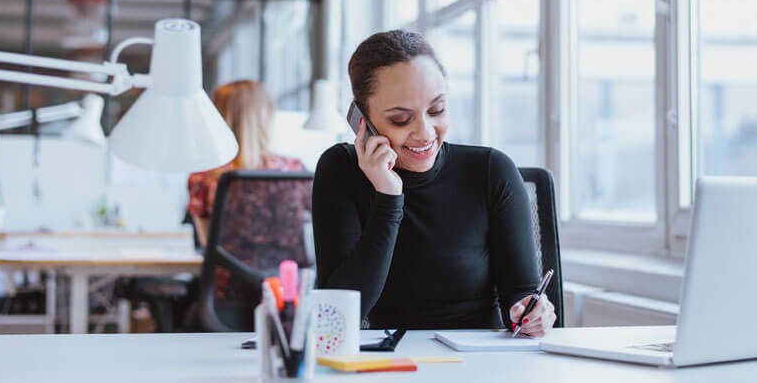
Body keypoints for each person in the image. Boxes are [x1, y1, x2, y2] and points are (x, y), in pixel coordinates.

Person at [312, 30, 556, 336]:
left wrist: (532, 311)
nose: (425, 132)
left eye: (437, 110)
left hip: (481, 364)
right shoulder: (341, 171)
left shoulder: (492, 171)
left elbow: (520, 295)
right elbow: (339, 317)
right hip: (389, 364)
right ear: (364, 121)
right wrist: (388, 197)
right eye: (401, 119)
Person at [187, 80, 306, 248]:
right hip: (287, 274)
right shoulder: (295, 171)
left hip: (228, 274)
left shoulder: (203, 176)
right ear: (266, 116)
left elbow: (208, 245)